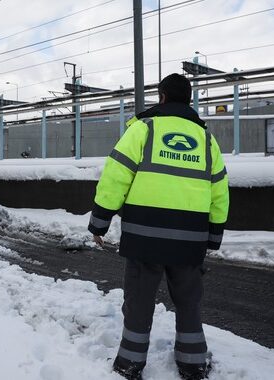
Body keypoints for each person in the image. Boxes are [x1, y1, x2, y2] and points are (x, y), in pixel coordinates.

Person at [88, 73, 229, 380]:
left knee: (139, 301)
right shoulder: (206, 139)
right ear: (188, 100)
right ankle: (193, 364)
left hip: (145, 236)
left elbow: (116, 176)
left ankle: (129, 364)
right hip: (190, 239)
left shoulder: (144, 129)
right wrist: (213, 235)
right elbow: (219, 189)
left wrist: (100, 221)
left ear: (162, 97)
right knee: (189, 302)